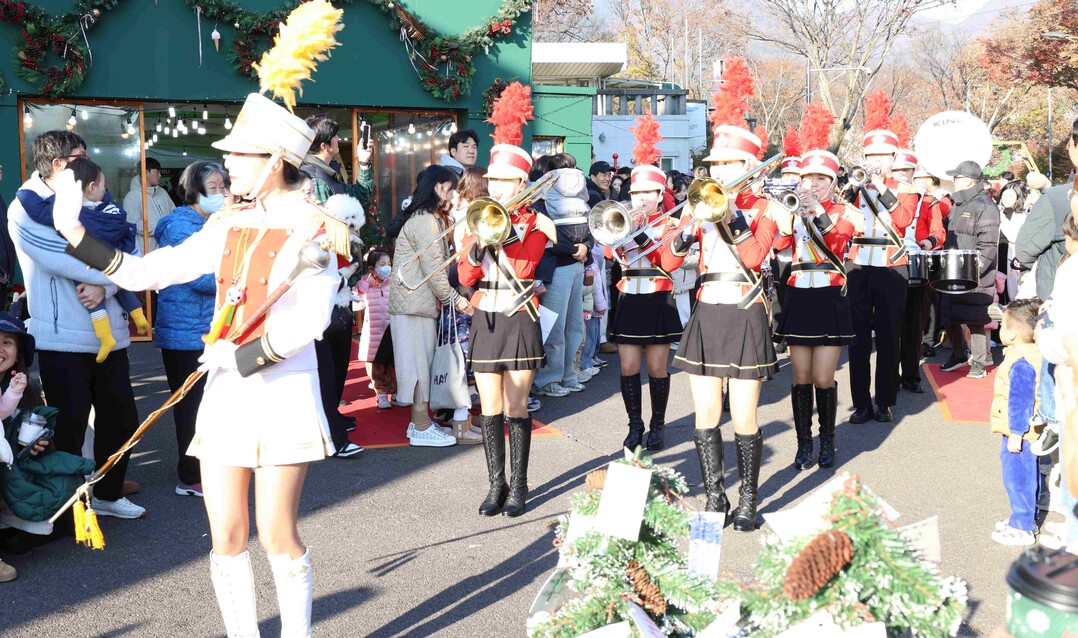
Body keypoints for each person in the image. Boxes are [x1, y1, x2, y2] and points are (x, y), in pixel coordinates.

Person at [56, 82, 350, 636]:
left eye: (238, 154)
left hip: (280, 389)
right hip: (228, 391)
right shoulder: (230, 222)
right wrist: (76, 234)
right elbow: (150, 271)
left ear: (275, 161)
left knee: (275, 531)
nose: (227, 163)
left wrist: (235, 359)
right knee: (226, 533)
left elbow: (308, 322)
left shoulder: (315, 226)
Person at [8, 130, 144, 521]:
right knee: (67, 428)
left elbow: (129, 249)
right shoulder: (25, 208)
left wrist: (109, 284)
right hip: (62, 338)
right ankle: (70, 506)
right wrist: (114, 275)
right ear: (57, 165)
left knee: (122, 420)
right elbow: (61, 256)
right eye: (79, 158)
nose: (89, 168)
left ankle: (108, 492)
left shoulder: (93, 194)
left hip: (111, 335)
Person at [670, 58, 781, 531]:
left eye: (729, 163)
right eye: (715, 163)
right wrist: (684, 230)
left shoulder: (765, 207)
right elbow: (670, 262)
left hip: (744, 309)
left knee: (744, 414)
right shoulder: (699, 204)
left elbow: (755, 257)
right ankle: (715, 494)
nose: (718, 170)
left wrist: (729, 213)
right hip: (707, 311)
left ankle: (749, 499)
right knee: (705, 412)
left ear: (750, 166)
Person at [458, 83, 556, 518]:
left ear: (521, 181)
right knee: (490, 407)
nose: (496, 186)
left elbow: (527, 264)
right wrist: (477, 245)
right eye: (492, 179)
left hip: (518, 315)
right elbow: (464, 275)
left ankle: (519, 484)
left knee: (517, 405)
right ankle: (494, 485)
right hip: (486, 317)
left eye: (505, 180)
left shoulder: (537, 222)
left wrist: (502, 230)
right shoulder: (474, 219)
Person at [773, 146, 861, 471]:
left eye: (821, 178)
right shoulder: (792, 210)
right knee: (800, 376)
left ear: (832, 181)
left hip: (830, 295)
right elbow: (780, 245)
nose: (814, 183)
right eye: (808, 177)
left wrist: (817, 209)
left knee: (824, 377)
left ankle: (827, 440)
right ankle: (803, 443)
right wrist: (789, 214)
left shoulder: (845, 211)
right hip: (799, 296)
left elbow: (837, 241)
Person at [16, 157, 151, 363]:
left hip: (94, 267)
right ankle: (140, 319)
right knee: (120, 288)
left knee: (89, 294)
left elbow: (40, 211)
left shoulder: (65, 208)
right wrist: (115, 280)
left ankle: (106, 337)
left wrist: (25, 193)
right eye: (79, 155)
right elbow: (131, 255)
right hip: (66, 340)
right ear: (59, 164)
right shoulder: (109, 209)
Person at [153, 161, 231, 497]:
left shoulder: (211, 223)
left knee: (210, 404)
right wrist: (236, 276)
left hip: (207, 328)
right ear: (194, 191)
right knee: (190, 407)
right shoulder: (179, 226)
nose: (221, 193)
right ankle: (190, 475)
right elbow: (200, 278)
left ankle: (206, 466)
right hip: (185, 333)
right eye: (213, 188)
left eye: (222, 187)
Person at [0, 312, 94, 578]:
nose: (0, 348)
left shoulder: (26, 386)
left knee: (65, 478)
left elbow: (36, 429)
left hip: (16, 463)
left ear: (18, 352)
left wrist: (40, 444)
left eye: (7, 342)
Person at [844, 104, 919, 423]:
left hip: (891, 266)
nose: (875, 162)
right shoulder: (854, 187)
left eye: (882, 156)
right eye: (870, 156)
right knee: (858, 339)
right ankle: (860, 403)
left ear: (893, 159)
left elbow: (902, 221)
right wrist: (850, 189)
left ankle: (884, 400)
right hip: (859, 265)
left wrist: (881, 186)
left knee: (890, 336)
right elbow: (839, 223)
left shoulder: (906, 188)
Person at [390, 165, 469, 448]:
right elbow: (434, 269)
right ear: (438, 187)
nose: (454, 194)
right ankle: (421, 427)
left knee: (418, 364)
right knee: (416, 366)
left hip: (415, 302)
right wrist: (456, 301)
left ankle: (420, 423)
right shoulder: (426, 220)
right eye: (450, 187)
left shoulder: (426, 217)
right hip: (414, 303)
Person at [606, 161, 682, 452]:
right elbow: (607, 250)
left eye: (649, 192)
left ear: (661, 195)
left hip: (658, 296)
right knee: (628, 366)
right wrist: (624, 230)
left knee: (656, 367)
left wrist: (639, 232)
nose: (642, 198)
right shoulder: (623, 218)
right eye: (637, 193)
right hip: (629, 296)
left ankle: (657, 425)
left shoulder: (670, 223)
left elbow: (665, 260)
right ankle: (634, 424)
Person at [532, 167, 592, 397]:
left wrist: (586, 246)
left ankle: (568, 374)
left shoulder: (580, 199)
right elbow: (545, 234)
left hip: (576, 265)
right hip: (557, 268)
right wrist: (577, 249)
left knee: (575, 325)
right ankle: (548, 379)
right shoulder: (541, 201)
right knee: (555, 328)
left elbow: (591, 226)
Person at [989, 298, 1043, 546]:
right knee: (1030, 473)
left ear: (1010, 333)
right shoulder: (1035, 353)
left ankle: (1021, 526)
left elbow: (1020, 399)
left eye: (1002, 324)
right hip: (1031, 431)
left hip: (1019, 432)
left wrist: (1016, 433)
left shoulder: (1020, 362)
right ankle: (1026, 518)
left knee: (1017, 477)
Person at [939, 160, 1000, 380]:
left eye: (957, 177)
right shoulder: (957, 203)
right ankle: (958, 354)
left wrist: (976, 270)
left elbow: (989, 246)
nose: (954, 180)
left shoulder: (986, 206)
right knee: (948, 315)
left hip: (975, 274)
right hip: (952, 270)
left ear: (970, 180)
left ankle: (979, 363)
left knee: (975, 319)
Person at [890, 152, 945, 394]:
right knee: (890, 325)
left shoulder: (929, 200)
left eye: (907, 170)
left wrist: (926, 244)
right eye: (898, 170)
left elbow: (938, 232)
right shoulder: (880, 193)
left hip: (917, 264)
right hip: (889, 265)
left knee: (914, 325)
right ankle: (888, 376)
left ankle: (911, 376)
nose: (903, 174)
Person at [300, 113, 375, 210]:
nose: (338, 138)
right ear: (324, 146)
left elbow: (360, 196)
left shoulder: (325, 173)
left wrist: (364, 161)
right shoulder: (317, 181)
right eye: (334, 135)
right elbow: (326, 223)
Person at [355, 248, 393, 409]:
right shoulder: (365, 286)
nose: (387, 267)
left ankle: (395, 391)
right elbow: (356, 304)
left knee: (392, 365)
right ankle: (381, 393)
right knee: (375, 366)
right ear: (372, 268)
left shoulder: (393, 282)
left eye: (389, 264)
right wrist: (362, 286)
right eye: (382, 264)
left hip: (391, 331)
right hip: (374, 333)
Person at [123, 157, 176, 252]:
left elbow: (173, 212)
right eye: (157, 172)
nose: (160, 175)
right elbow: (133, 224)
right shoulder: (132, 197)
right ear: (146, 173)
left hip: (167, 248)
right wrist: (161, 228)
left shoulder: (162, 192)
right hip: (147, 252)